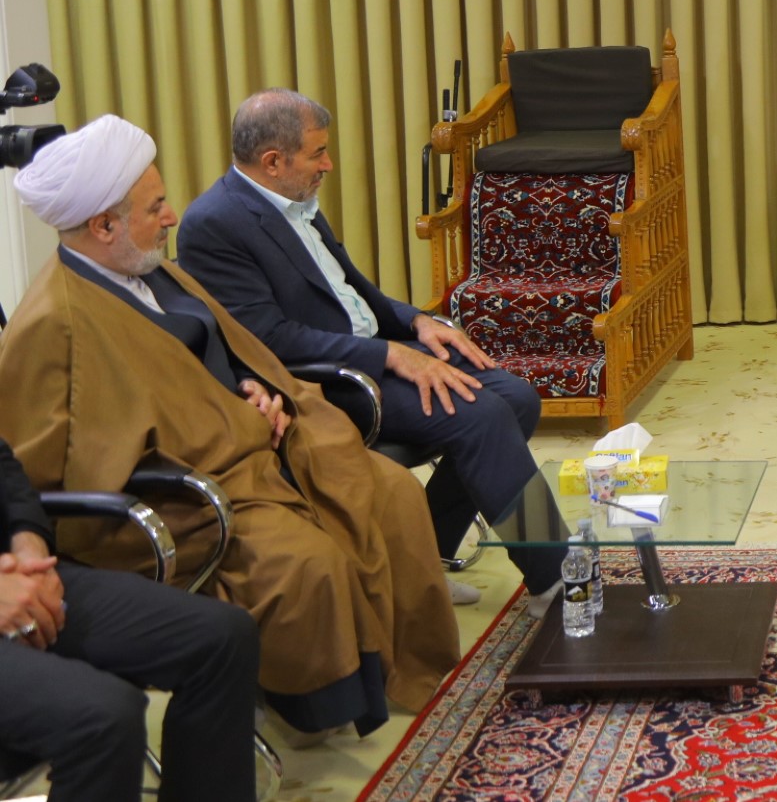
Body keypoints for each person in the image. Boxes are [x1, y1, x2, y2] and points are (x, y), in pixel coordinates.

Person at [0, 115, 458, 741]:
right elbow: (57, 467)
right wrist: (230, 423)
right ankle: (320, 706)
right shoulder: (51, 322)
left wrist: (258, 391)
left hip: (261, 447)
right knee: (307, 561)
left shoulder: (152, 270)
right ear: (103, 226)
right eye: (156, 207)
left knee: (395, 494)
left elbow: (229, 350)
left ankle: (404, 670)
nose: (172, 217)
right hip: (190, 492)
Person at [176, 89, 563, 611]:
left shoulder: (296, 202)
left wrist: (417, 322)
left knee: (516, 398)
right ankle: (558, 580)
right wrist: (391, 356)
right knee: (482, 415)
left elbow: (354, 292)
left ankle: (419, 565)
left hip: (370, 352)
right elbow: (266, 339)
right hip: (326, 382)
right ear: (272, 161)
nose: (328, 164)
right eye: (318, 153)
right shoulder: (215, 223)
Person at [0, 434, 260, 802]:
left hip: (15, 573)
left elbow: (5, 469)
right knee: (103, 718)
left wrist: (31, 551)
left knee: (223, 638)